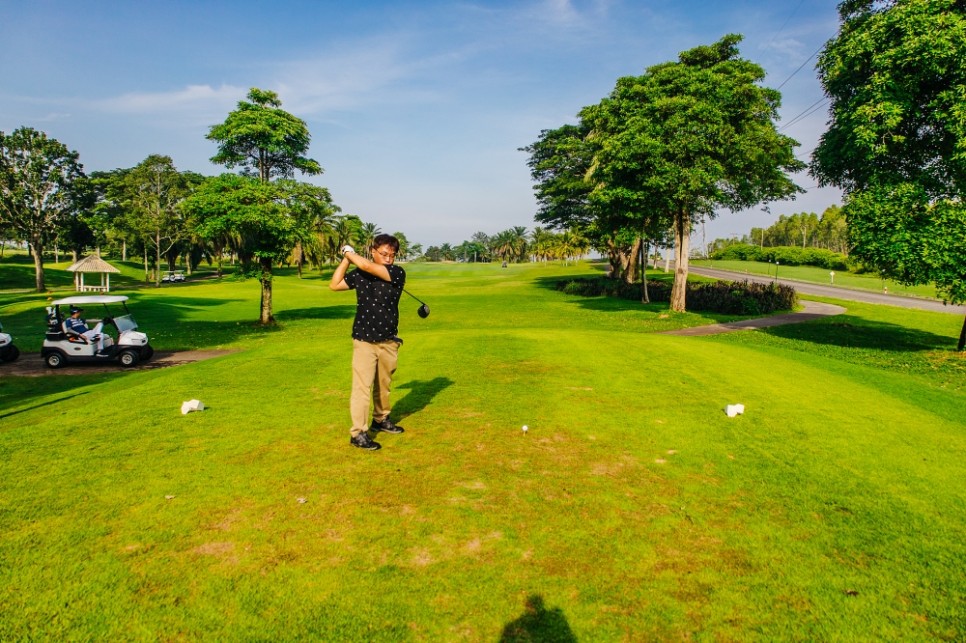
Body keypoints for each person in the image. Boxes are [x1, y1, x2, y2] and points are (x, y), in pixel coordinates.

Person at [329, 234, 407, 451]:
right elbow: (334, 285)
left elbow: (368, 266)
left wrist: (347, 252)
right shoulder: (361, 273)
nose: (389, 258)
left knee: (384, 386)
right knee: (361, 388)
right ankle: (358, 433)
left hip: (389, 340)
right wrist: (346, 259)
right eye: (384, 254)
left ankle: (381, 420)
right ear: (372, 251)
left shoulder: (396, 272)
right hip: (364, 340)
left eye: (392, 255)